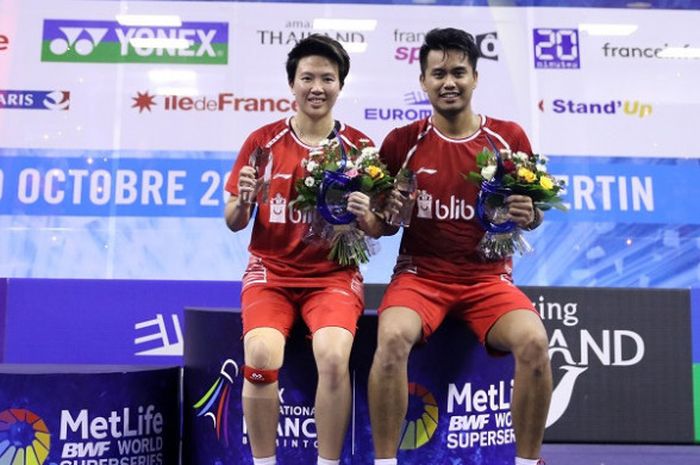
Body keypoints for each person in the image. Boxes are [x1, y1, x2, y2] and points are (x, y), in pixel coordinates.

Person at [368, 28, 551, 465]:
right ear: (423, 82)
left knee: (534, 344)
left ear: (475, 77)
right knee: (391, 338)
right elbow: (380, 227)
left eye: (458, 72)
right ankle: (385, 461)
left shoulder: (509, 139)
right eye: (438, 74)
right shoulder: (401, 143)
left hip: (487, 280)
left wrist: (531, 213)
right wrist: (385, 212)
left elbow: (534, 214)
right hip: (420, 276)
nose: (448, 82)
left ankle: (527, 461)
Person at [224, 34, 384, 465]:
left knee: (333, 356)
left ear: (340, 85)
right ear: (292, 84)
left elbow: (379, 228)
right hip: (270, 274)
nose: (317, 87)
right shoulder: (263, 142)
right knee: (259, 355)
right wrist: (244, 199)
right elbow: (235, 221)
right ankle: (263, 462)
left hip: (332, 276)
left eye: (327, 78)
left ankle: (328, 463)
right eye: (307, 77)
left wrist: (367, 212)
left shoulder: (360, 148)